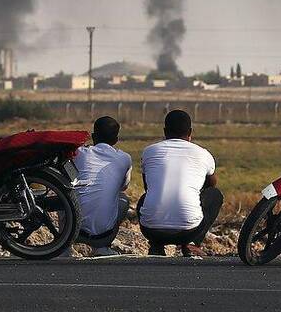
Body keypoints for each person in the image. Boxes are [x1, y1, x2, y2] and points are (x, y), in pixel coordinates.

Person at [137, 109, 223, 257]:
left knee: (145, 198)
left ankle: (156, 245)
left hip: (151, 230)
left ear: (165, 131)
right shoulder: (203, 153)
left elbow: (147, 186)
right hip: (188, 231)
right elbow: (212, 184)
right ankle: (192, 244)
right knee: (215, 195)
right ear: (190, 132)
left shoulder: (149, 152)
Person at [73, 116, 132, 256]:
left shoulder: (79, 153)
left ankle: (64, 249)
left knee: (66, 194)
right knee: (123, 200)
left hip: (72, 232)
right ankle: (102, 247)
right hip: (103, 235)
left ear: (93, 136)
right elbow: (123, 187)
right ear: (116, 140)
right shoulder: (125, 158)